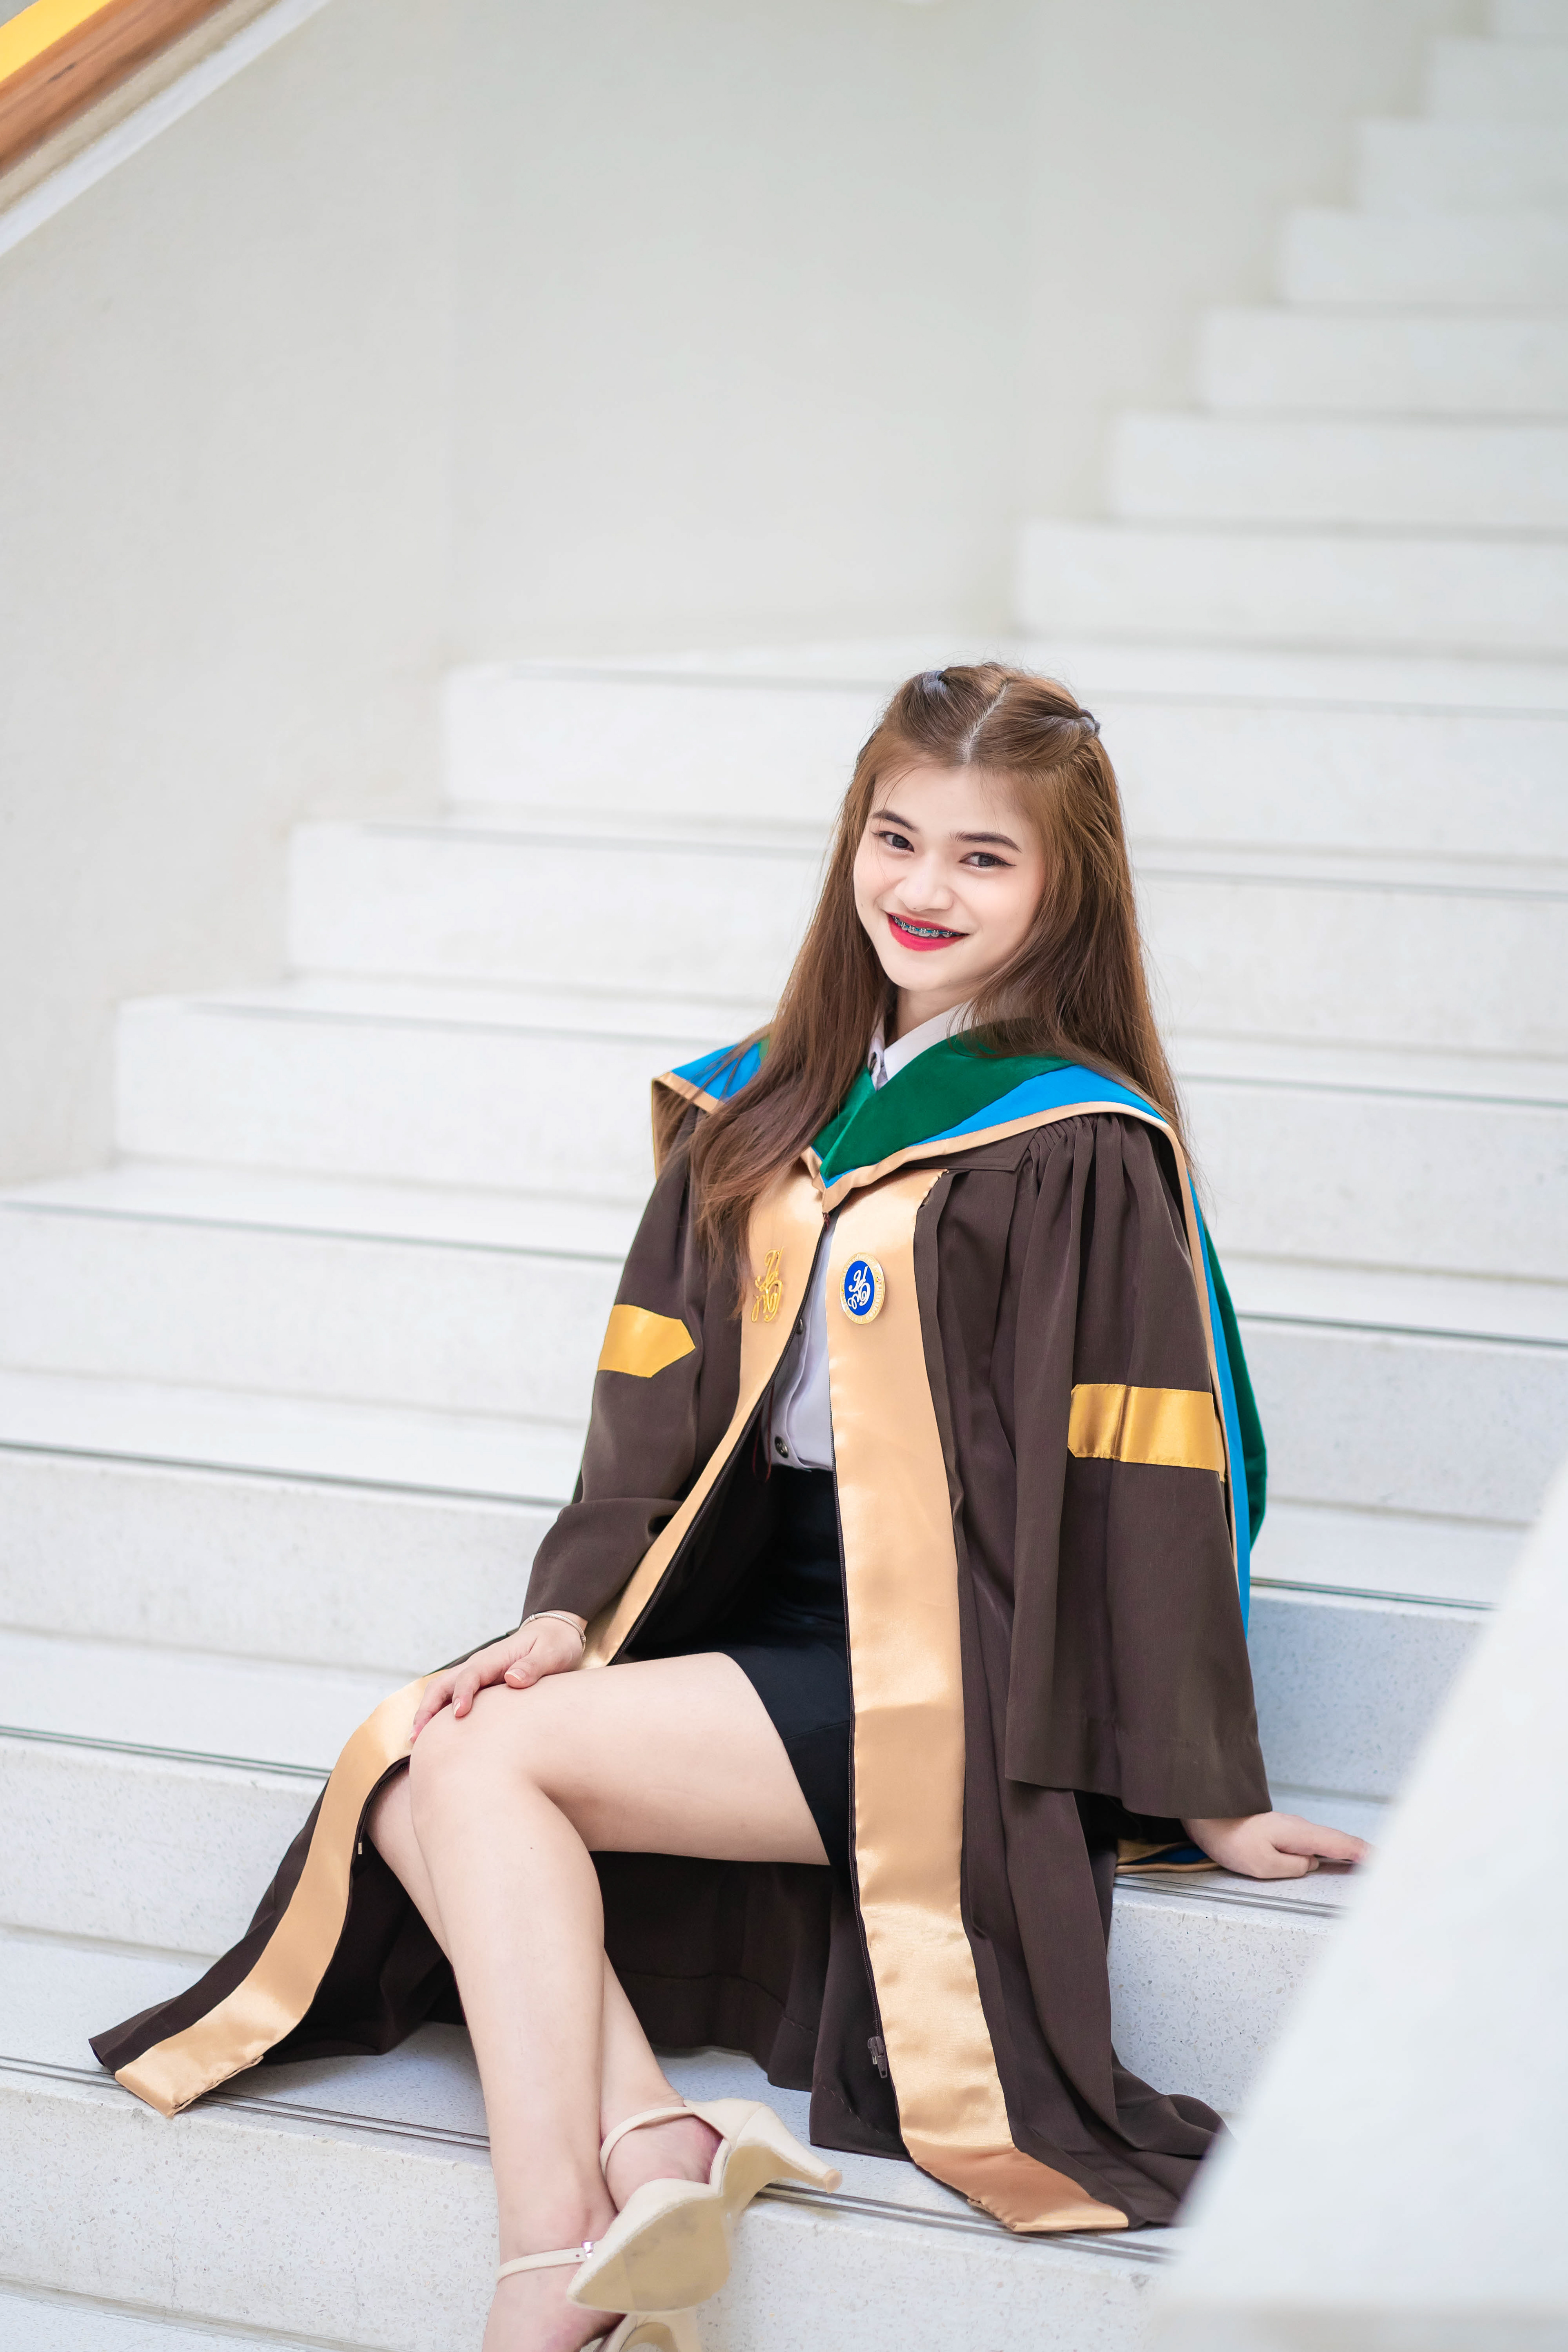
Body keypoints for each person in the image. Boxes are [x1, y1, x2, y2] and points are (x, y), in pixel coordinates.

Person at [94, 665, 1367, 2352]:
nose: (924, 887)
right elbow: (652, 1400)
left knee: (458, 1765)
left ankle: (550, 2245)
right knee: (428, 1749)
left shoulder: (1077, 1144)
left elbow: (1148, 1475)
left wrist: (1209, 1795)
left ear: (1066, 887)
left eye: (984, 857)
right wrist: (570, 1610)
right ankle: (643, 2143)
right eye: (896, 838)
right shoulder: (759, 1103)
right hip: (751, 1610)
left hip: (952, 1661)